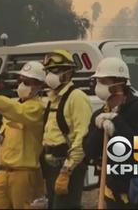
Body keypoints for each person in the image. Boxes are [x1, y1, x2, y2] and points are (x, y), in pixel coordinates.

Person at [83, 57, 138, 209]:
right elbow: (89, 152)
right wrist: (100, 129)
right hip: (112, 190)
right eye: (98, 81)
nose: (99, 86)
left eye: (104, 81)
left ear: (120, 82)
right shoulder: (100, 114)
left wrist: (117, 123)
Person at [0, 61, 47, 209]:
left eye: (27, 82)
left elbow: (17, 111)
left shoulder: (37, 108)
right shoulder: (15, 106)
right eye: (21, 81)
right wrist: (0, 139)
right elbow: (11, 118)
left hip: (24, 174)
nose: (22, 85)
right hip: (3, 172)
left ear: (39, 86)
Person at [41, 50, 92, 209]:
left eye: (55, 71)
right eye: (48, 71)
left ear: (68, 72)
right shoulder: (53, 99)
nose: (50, 75)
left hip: (68, 166)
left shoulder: (76, 97)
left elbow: (82, 136)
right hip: (52, 165)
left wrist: (67, 169)